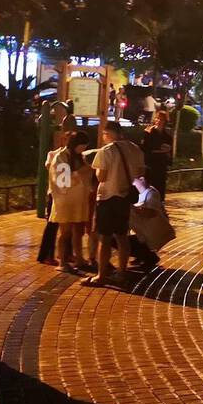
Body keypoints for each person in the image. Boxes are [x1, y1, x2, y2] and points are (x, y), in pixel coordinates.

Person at [86, 121, 145, 288]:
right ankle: (122, 272)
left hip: (108, 198)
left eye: (104, 134)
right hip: (126, 197)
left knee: (104, 237)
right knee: (122, 236)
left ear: (109, 134)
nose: (103, 137)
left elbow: (101, 177)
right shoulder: (135, 149)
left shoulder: (107, 151)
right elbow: (140, 173)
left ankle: (101, 274)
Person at [45, 132, 93, 273]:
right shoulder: (60, 157)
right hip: (64, 201)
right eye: (81, 146)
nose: (83, 149)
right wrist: (80, 172)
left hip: (79, 199)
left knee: (78, 230)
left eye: (84, 146)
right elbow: (62, 180)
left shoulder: (81, 157)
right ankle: (63, 261)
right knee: (65, 232)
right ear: (74, 144)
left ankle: (79, 258)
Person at [128, 174, 174, 272]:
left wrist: (133, 209)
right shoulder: (146, 192)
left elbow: (150, 212)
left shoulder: (150, 193)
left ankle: (148, 256)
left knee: (119, 240)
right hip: (146, 233)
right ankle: (144, 255)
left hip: (150, 233)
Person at [142, 110, 173, 198]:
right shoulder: (149, 133)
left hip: (162, 165)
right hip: (151, 165)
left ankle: (160, 205)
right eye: (157, 118)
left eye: (162, 119)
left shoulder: (167, 136)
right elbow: (145, 148)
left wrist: (167, 155)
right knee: (150, 187)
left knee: (160, 187)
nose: (159, 121)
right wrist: (160, 150)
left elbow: (169, 150)